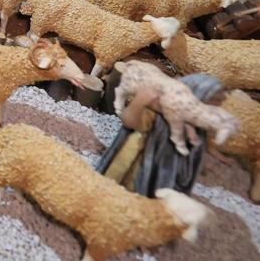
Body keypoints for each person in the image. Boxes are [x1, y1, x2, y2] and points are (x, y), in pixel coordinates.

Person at [96, 73, 225, 196]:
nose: (218, 106)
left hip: (170, 173)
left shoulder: (199, 123)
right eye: (214, 100)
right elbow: (129, 121)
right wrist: (139, 102)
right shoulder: (158, 112)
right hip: (144, 168)